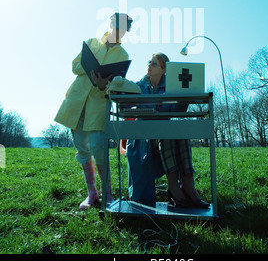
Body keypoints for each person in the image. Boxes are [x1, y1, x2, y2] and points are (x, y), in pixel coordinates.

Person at [55, 13, 133, 209]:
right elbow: (74, 66)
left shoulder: (122, 55)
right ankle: (92, 195)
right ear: (111, 24)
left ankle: (107, 194)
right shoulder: (91, 43)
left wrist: (102, 85)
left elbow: (117, 84)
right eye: (117, 26)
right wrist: (89, 69)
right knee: (82, 147)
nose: (119, 31)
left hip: (98, 105)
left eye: (124, 29)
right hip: (76, 103)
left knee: (98, 147)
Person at [127, 53, 209, 208]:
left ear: (164, 70)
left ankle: (188, 186)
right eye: (149, 62)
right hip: (145, 140)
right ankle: (174, 186)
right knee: (168, 134)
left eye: (154, 64)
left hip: (164, 139)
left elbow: (176, 112)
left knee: (178, 132)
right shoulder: (139, 86)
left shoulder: (172, 86)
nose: (149, 65)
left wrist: (183, 98)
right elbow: (124, 102)